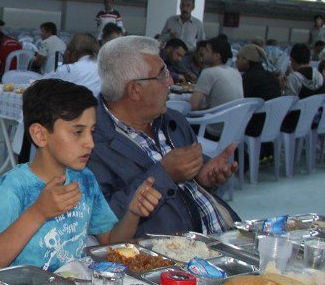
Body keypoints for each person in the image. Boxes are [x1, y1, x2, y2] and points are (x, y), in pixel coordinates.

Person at [0, 80, 161, 271]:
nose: (90, 143)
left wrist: (133, 213)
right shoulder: (12, 187)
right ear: (40, 135)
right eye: (78, 132)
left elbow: (111, 244)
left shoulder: (85, 179)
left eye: (92, 132)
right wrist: (38, 212)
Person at [88, 36, 239, 236]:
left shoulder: (172, 121)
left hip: (224, 233)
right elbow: (104, 223)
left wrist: (203, 176)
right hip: (176, 254)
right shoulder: (92, 143)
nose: (170, 81)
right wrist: (164, 175)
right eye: (162, 74)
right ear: (135, 90)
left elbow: (191, 189)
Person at [235, 44, 281, 138]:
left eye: (238, 58)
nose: (236, 61)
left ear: (246, 60)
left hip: (254, 126)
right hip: (273, 124)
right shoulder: (272, 77)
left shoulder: (247, 78)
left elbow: (241, 103)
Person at [189, 36, 243, 111]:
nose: (202, 52)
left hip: (215, 120)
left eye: (207, 50)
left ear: (217, 56)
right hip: (236, 120)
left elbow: (193, 105)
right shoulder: (235, 72)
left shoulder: (209, 72)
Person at [41, 33, 101, 97]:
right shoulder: (104, 67)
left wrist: (65, 63)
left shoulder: (69, 70)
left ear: (73, 52)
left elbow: (41, 84)